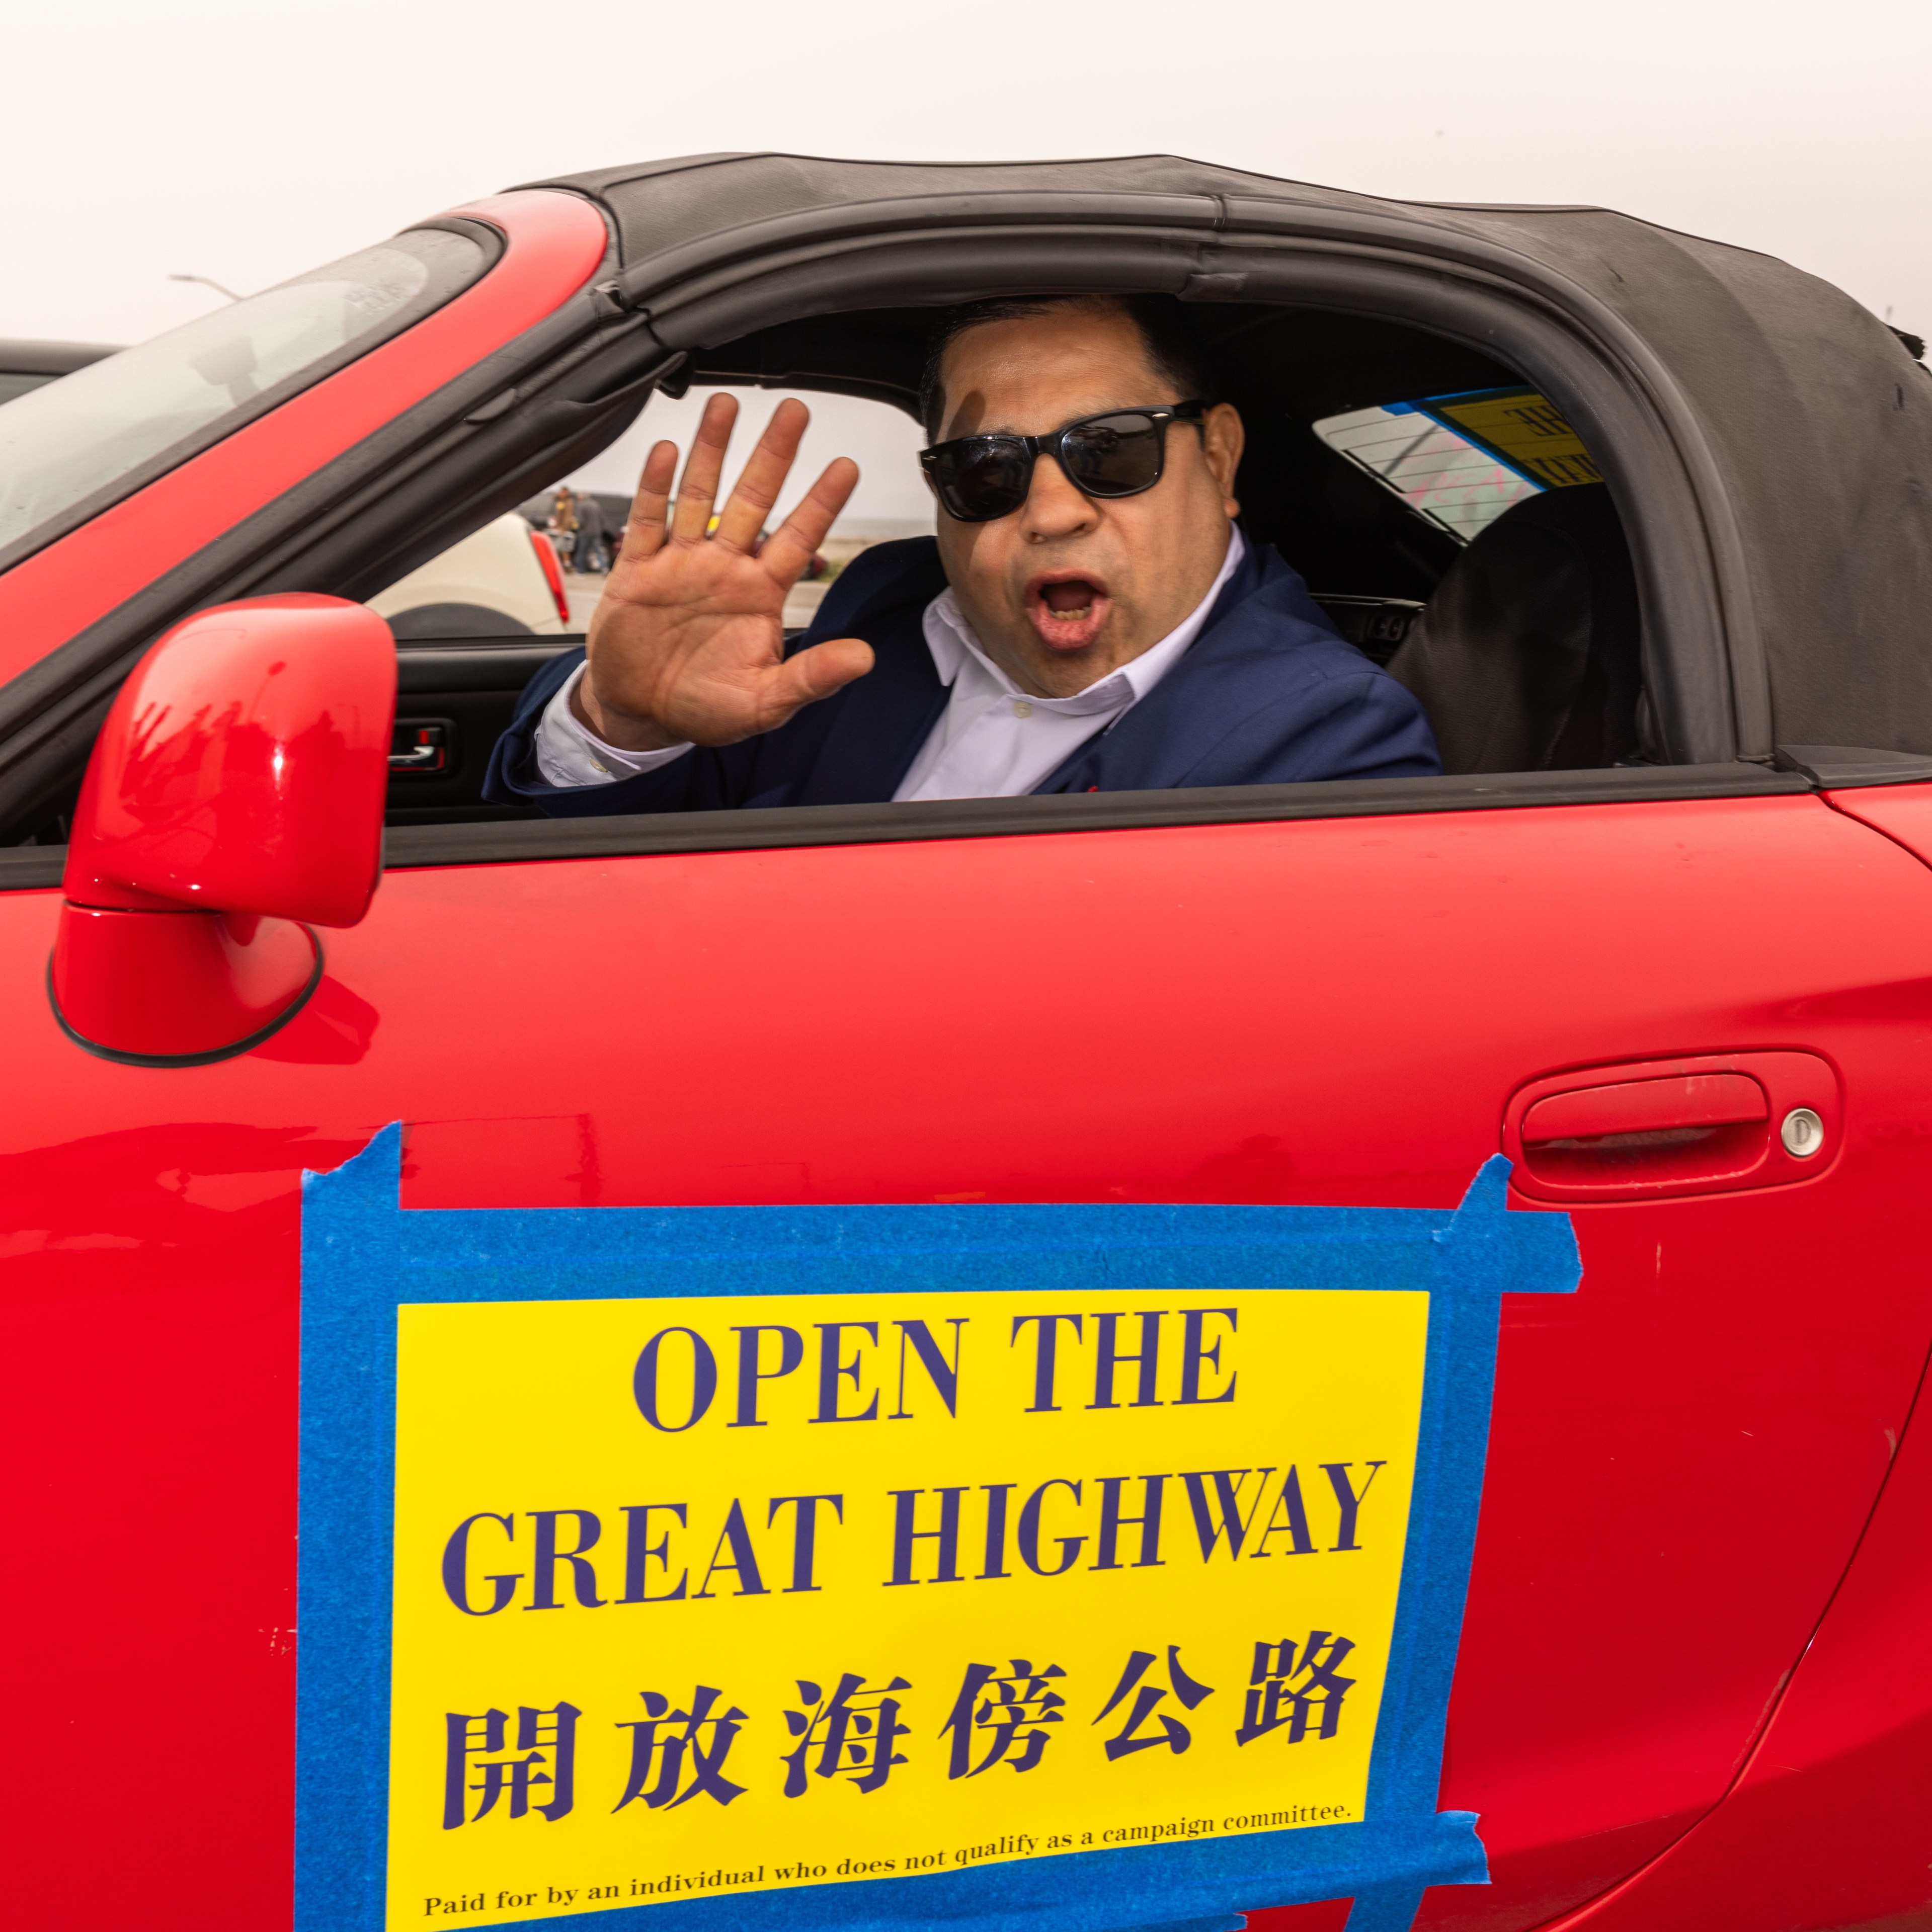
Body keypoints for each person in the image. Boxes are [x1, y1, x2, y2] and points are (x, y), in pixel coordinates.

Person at [485, 295, 1438, 816]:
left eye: (1110, 450)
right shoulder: (886, 606)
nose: (1053, 512)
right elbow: (607, 887)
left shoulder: (1329, 746)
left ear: (1218, 456)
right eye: (989, 470)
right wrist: (624, 722)